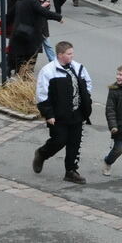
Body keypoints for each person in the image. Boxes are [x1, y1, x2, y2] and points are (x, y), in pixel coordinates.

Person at [32, 41, 93, 184]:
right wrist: (48, 114)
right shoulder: (48, 71)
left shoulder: (78, 67)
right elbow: (42, 94)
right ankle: (42, 153)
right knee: (59, 140)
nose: (72, 55)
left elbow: (88, 83)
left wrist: (86, 99)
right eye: (69, 54)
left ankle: (71, 171)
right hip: (58, 115)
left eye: (72, 53)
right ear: (60, 55)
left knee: (75, 143)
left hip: (77, 113)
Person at [9, 0, 63, 74]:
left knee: (21, 54)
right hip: (30, 32)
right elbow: (43, 12)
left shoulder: (20, 0)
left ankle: (19, 72)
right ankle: (26, 74)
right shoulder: (32, 1)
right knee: (32, 54)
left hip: (20, 31)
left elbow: (11, 14)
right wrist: (58, 17)